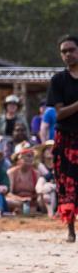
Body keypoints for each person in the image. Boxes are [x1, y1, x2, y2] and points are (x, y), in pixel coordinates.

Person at [47, 35, 78, 242]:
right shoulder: (58, 80)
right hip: (66, 138)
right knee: (66, 184)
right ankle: (70, 229)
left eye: (72, 50)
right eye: (64, 51)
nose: (68, 54)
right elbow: (58, 113)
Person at [2, 143, 43, 215]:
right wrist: (21, 200)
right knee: (7, 200)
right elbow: (8, 193)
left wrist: (30, 200)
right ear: (18, 158)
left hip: (31, 202)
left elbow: (38, 193)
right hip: (17, 201)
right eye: (27, 156)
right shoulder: (11, 172)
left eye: (31, 156)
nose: (30, 158)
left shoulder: (37, 173)